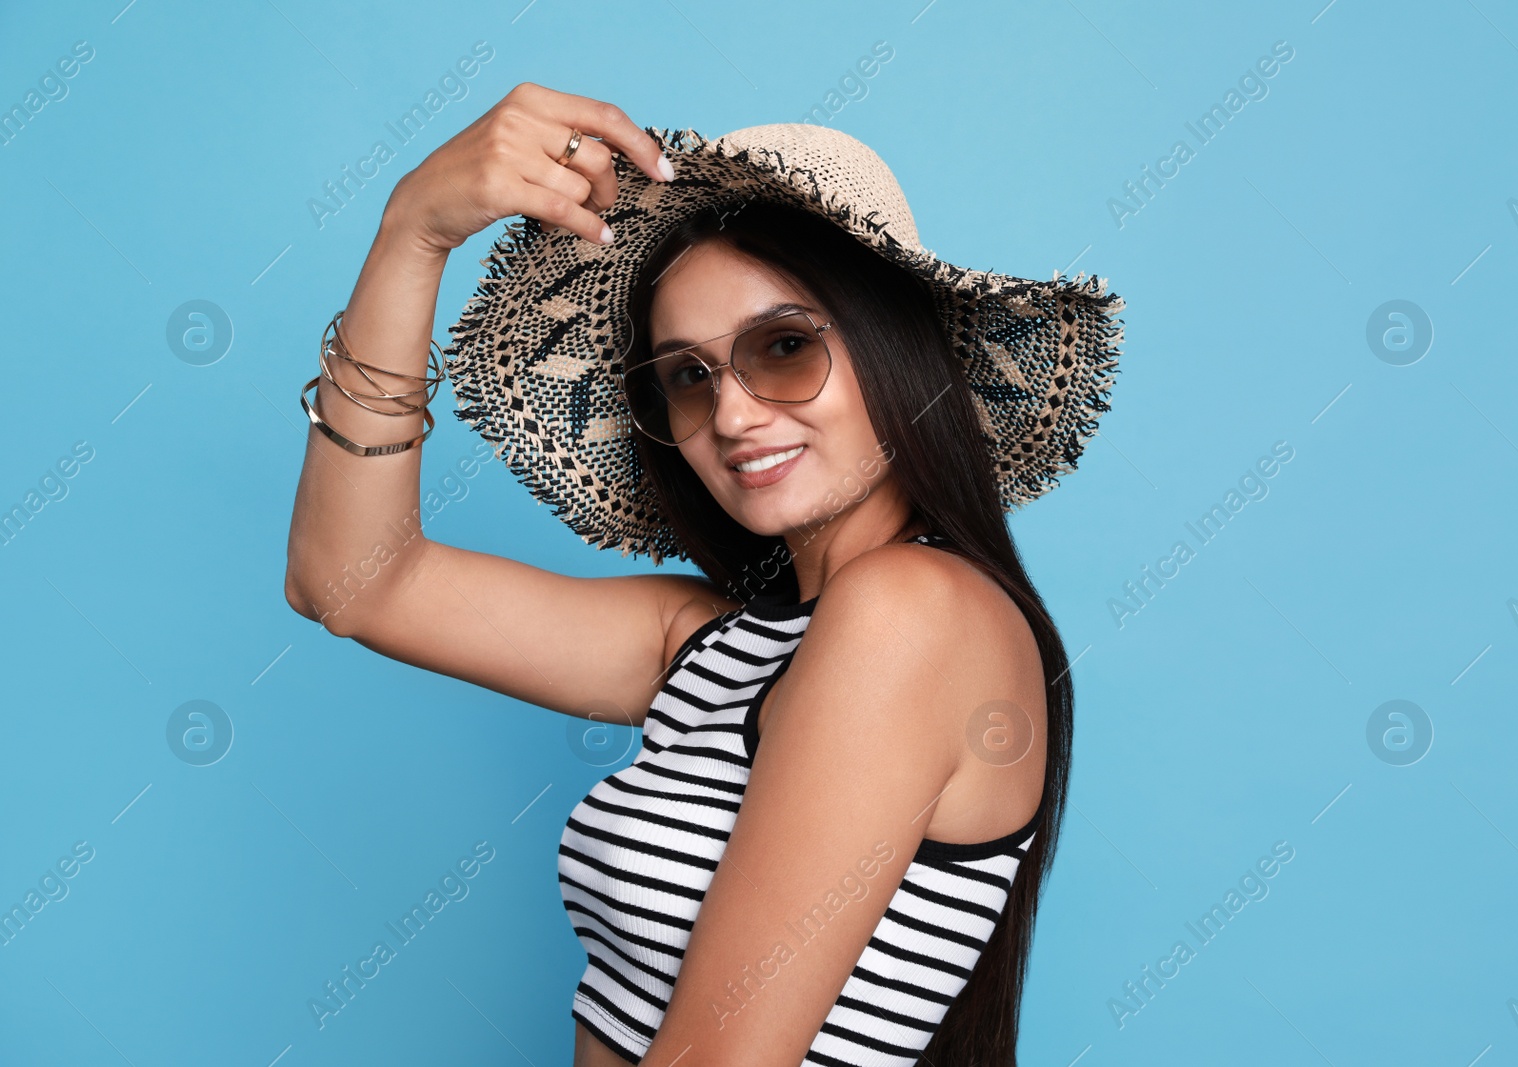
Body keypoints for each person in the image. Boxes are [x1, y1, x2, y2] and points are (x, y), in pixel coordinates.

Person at [284, 81, 1123, 1066]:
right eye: (688, 374)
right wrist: (412, 233)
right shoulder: (717, 647)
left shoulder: (914, 611)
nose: (731, 416)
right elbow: (351, 582)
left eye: (782, 347)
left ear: (898, 352)